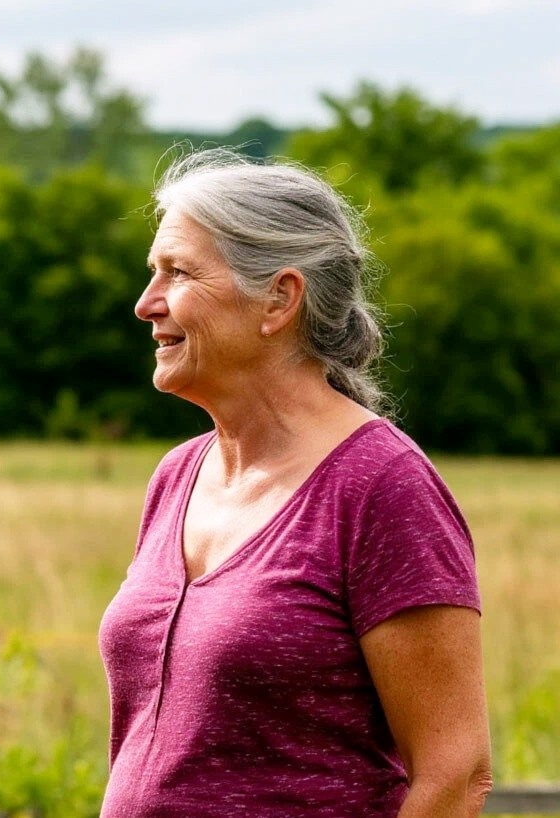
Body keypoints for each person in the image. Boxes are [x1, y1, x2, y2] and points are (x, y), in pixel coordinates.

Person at [98, 147, 492, 818]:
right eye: (151, 274)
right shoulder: (177, 475)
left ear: (279, 298)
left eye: (178, 273)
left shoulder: (381, 486)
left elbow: (455, 776)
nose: (145, 304)